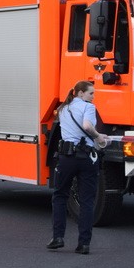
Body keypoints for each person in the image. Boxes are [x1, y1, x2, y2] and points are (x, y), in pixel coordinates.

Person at [47, 80, 108, 255]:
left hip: (66, 158)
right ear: (80, 93)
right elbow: (87, 126)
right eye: (91, 93)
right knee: (87, 200)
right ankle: (84, 244)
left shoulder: (63, 109)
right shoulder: (88, 107)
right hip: (86, 158)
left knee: (59, 196)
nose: (93, 96)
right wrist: (99, 137)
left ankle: (57, 238)